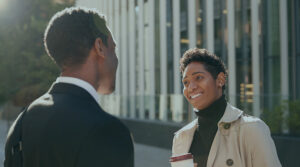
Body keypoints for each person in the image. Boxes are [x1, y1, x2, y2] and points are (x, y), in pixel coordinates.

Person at [4, 7, 134, 167]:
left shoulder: (21, 123)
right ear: (99, 47)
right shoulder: (109, 132)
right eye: (113, 49)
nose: (116, 60)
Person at [171, 48, 281, 167]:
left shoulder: (252, 129)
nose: (191, 87)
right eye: (186, 82)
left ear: (220, 80)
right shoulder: (181, 138)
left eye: (198, 77)